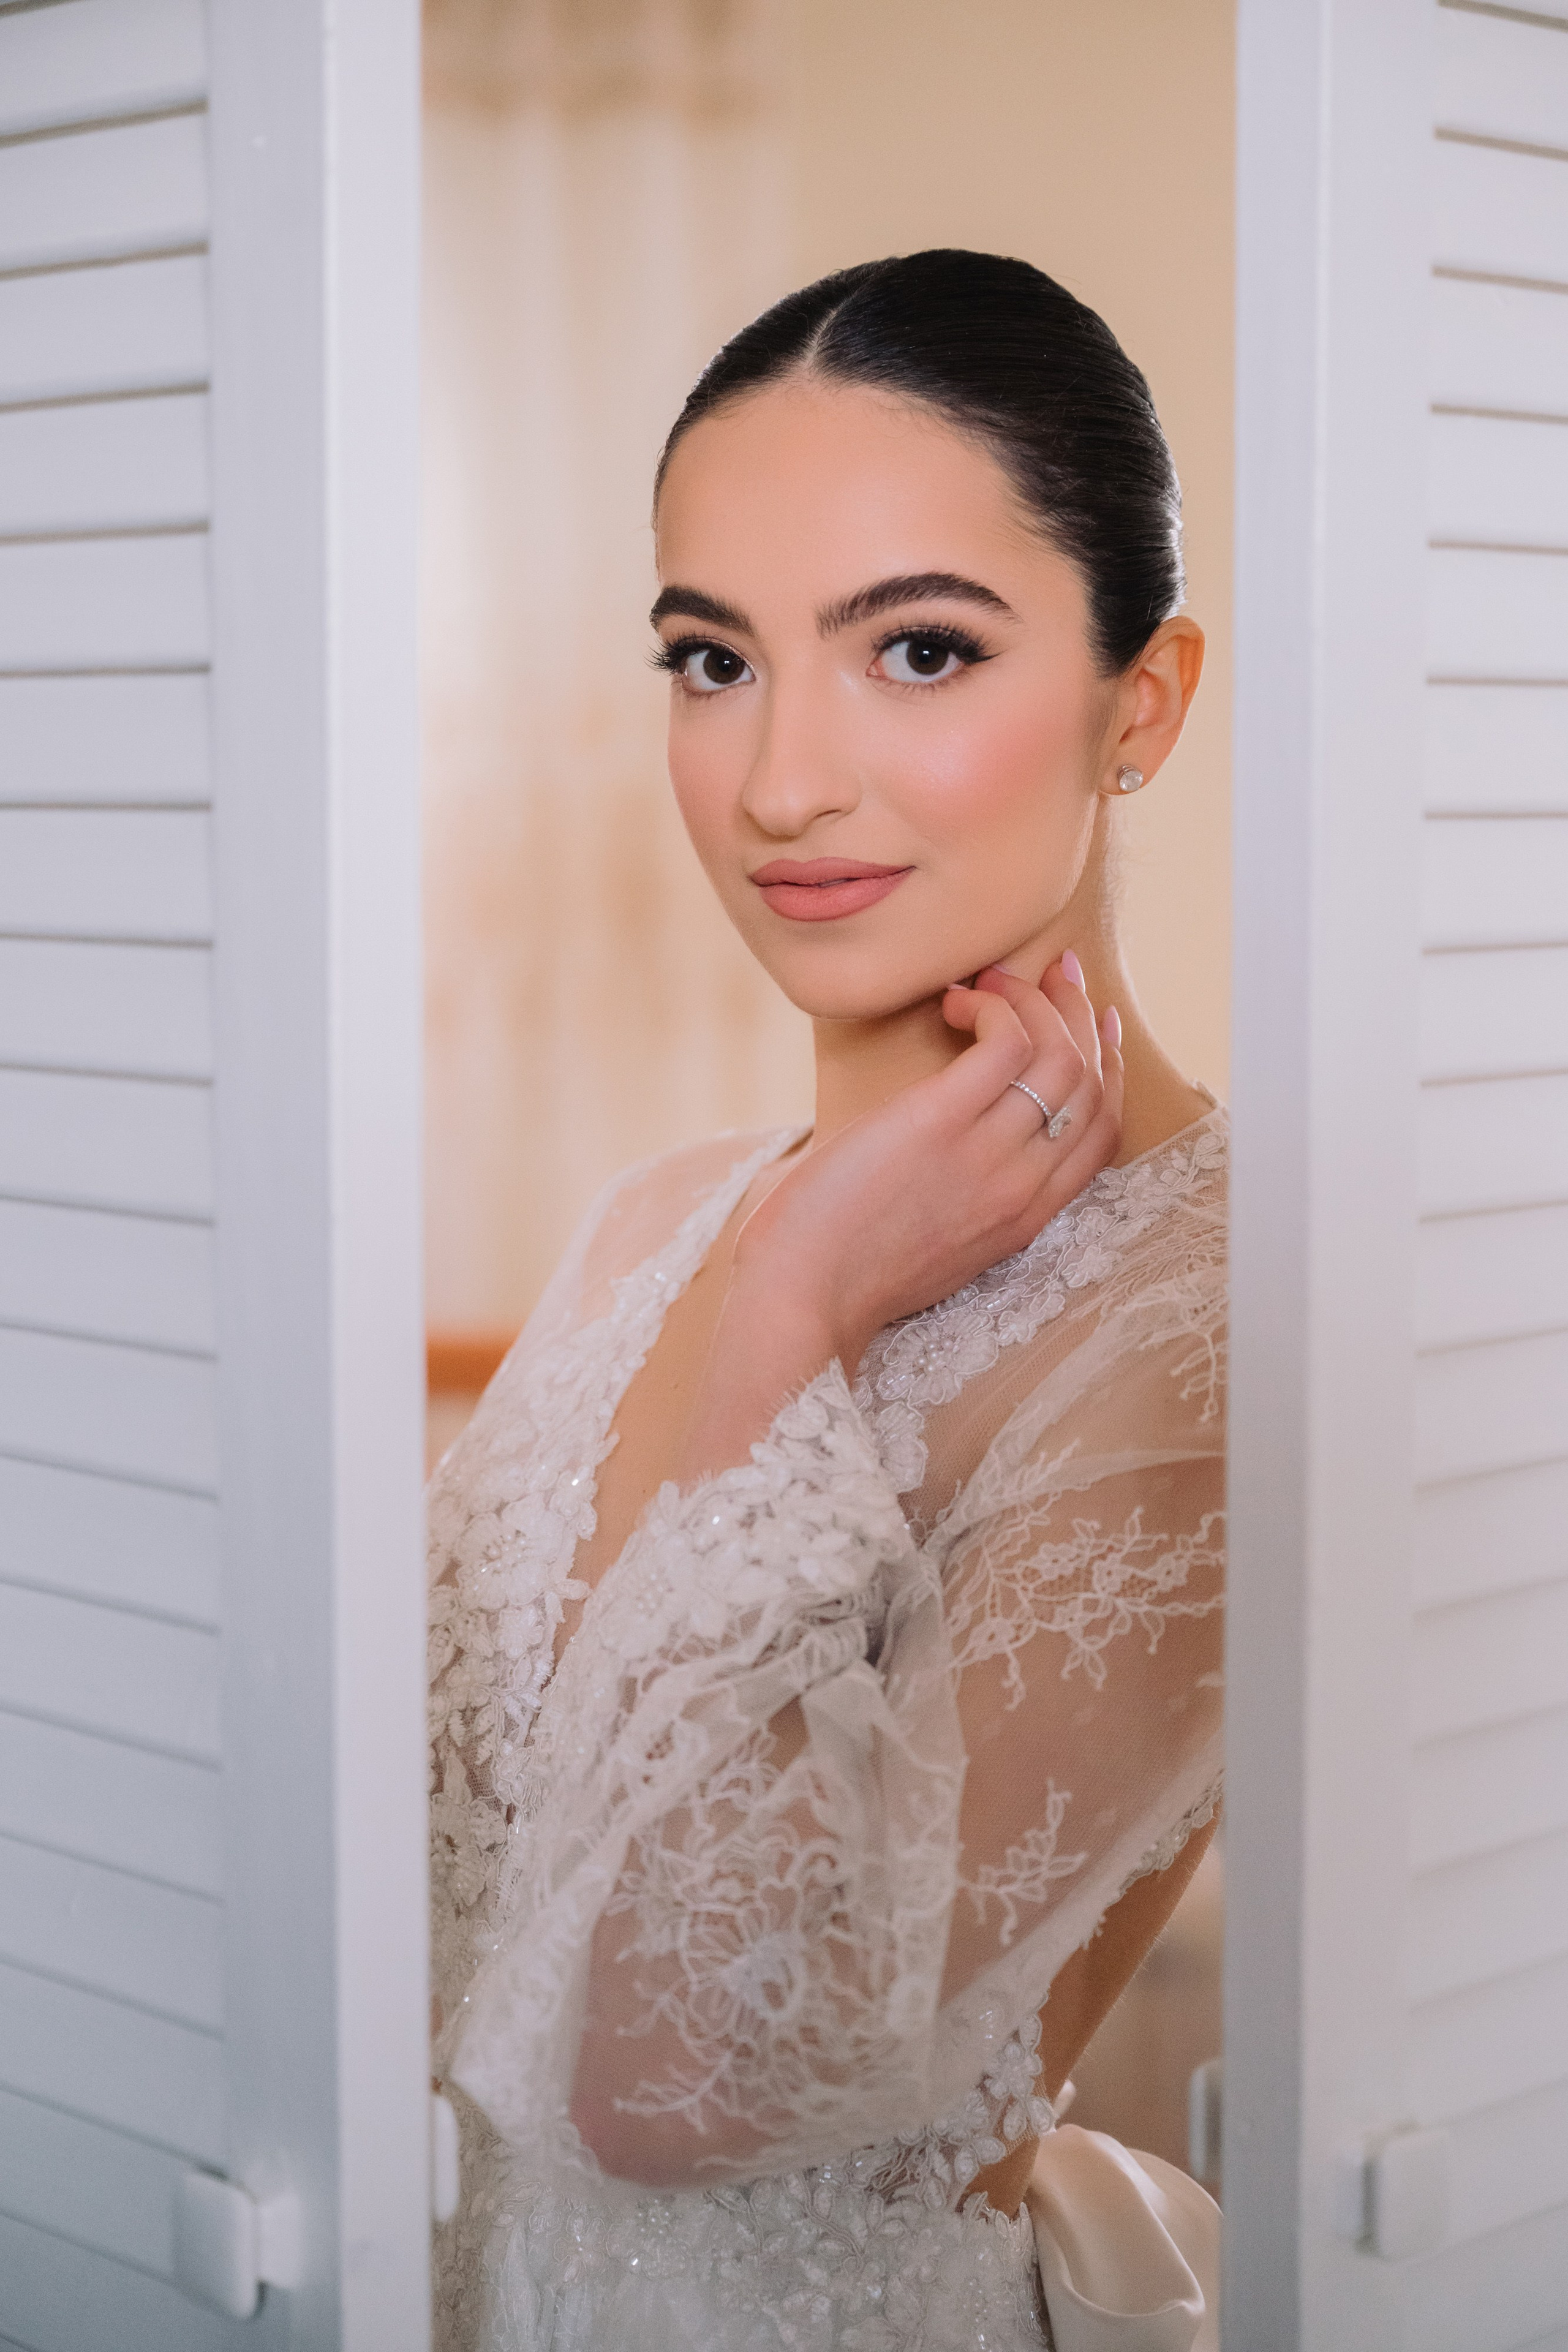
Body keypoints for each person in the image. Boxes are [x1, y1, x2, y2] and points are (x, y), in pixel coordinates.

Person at [428, 249, 1227, 2351]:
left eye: (920, 652)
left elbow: (670, 2075)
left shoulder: (1218, 1326)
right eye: (714, 660)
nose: (781, 780)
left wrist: (791, 1324)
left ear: (1140, 706)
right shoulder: (649, 1225)